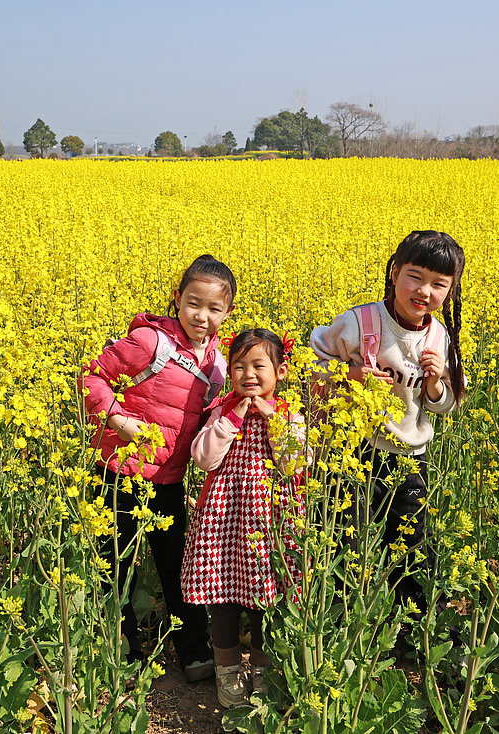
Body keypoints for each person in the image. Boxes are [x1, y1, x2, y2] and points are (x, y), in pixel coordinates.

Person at [78, 254, 236, 683]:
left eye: (213, 309)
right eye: (193, 303)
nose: (202, 316)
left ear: (228, 312)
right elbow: (91, 376)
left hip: (168, 481)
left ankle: (193, 648)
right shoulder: (151, 342)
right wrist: (119, 420)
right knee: (115, 566)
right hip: (116, 475)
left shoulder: (220, 365)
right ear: (177, 300)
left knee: (178, 566)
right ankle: (122, 649)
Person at [309, 230, 466, 611]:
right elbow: (310, 368)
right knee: (341, 543)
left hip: (409, 459)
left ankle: (414, 630)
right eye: (415, 276)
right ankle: (337, 624)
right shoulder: (359, 322)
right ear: (394, 272)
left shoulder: (439, 337)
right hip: (352, 452)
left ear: (450, 292)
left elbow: (448, 405)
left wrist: (434, 387)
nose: (424, 291)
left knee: (413, 547)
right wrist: (350, 375)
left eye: (438, 285)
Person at [181, 329, 306, 708]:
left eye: (258, 366)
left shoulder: (290, 415)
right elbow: (204, 459)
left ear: (281, 371)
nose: (248, 375)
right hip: (224, 519)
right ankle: (228, 669)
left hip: (268, 520)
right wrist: (231, 417)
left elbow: (295, 463)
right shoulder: (220, 412)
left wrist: (273, 419)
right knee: (222, 597)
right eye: (239, 367)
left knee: (265, 596)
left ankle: (265, 670)